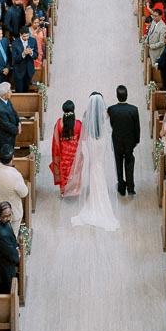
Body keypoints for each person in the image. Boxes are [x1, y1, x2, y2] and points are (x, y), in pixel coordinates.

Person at [67, 90, 119, 230]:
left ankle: (93, 197)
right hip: (100, 141)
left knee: (93, 166)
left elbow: (85, 125)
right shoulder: (104, 115)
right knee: (99, 167)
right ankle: (100, 197)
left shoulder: (86, 117)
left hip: (91, 142)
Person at [0, 145, 29, 236]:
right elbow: (24, 193)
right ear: (12, 157)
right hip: (11, 211)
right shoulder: (15, 175)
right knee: (11, 236)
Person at [51, 99, 83, 193]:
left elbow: (55, 140)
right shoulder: (78, 124)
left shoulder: (59, 124)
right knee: (75, 170)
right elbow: (83, 137)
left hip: (63, 154)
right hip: (74, 154)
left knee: (64, 171)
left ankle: (64, 190)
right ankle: (74, 189)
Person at [0, 201, 20, 293]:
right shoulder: (1, 234)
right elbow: (10, 254)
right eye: (5, 216)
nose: (8, 218)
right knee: (6, 290)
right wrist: (18, 256)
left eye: (9, 215)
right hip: (3, 268)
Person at [0, 82, 20, 150]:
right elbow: (6, 124)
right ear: (4, 95)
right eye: (9, 91)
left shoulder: (6, 100)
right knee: (7, 153)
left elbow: (13, 111)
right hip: (5, 137)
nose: (11, 92)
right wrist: (17, 130)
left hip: (10, 133)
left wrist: (19, 122)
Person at [11, 25, 36, 92]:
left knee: (26, 89)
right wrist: (23, 54)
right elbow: (15, 59)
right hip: (19, 71)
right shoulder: (15, 43)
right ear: (20, 35)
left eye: (27, 36)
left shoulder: (33, 41)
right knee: (19, 91)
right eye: (24, 36)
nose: (26, 38)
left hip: (29, 71)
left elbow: (36, 55)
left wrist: (31, 53)